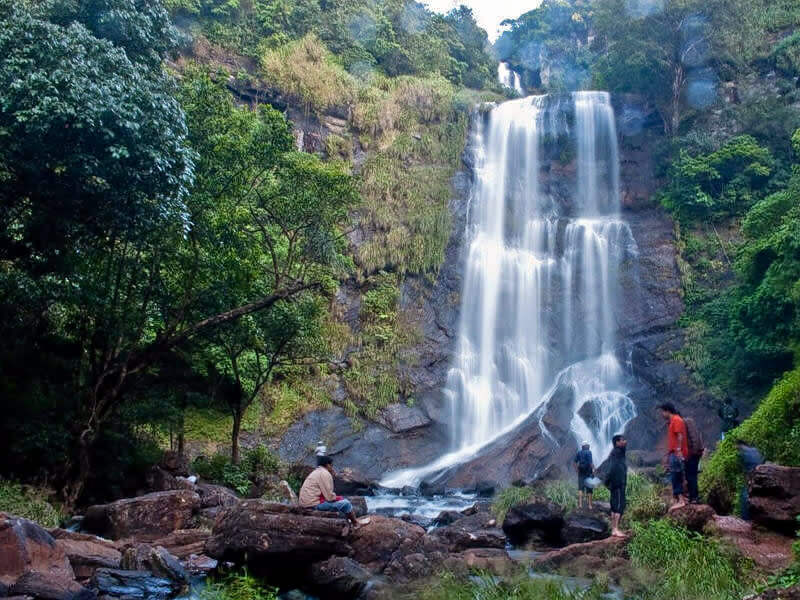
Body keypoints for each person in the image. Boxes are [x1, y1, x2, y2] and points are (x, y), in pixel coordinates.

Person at [298, 456, 369, 527]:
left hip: (305, 503)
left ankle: (349, 521)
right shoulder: (325, 474)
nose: (332, 467)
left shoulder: (317, 472)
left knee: (341, 500)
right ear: (327, 465)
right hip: (313, 505)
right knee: (346, 503)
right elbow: (329, 497)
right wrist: (339, 498)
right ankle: (356, 524)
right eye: (331, 465)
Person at [659, 403, 689, 508]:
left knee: (676, 475)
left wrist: (679, 450)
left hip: (677, 453)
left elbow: (680, 436)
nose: (662, 414)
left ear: (668, 411)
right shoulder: (673, 421)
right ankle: (679, 498)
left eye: (663, 411)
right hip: (674, 453)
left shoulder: (676, 420)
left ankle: (681, 500)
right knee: (675, 475)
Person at [605, 434, 628, 537]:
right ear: (617, 443)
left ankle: (613, 528)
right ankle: (615, 529)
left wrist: (608, 481)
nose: (625, 441)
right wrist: (610, 480)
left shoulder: (615, 452)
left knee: (614, 506)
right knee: (619, 506)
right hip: (618, 483)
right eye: (622, 440)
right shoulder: (617, 453)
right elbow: (613, 468)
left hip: (615, 482)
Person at [736, 440, 763, 521]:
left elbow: (746, 470)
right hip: (761, 475)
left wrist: (748, 480)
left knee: (745, 496)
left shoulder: (743, 453)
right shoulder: (755, 450)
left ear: (740, 445)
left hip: (753, 477)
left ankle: (745, 519)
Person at [683, 415, 705, 504]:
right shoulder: (685, 422)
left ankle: (694, 497)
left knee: (691, 475)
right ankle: (692, 496)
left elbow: (694, 437)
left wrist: (693, 452)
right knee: (689, 475)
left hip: (693, 453)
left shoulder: (687, 421)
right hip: (691, 453)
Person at [574, 441, 595, 510]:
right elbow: (590, 463)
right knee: (589, 489)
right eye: (587, 445)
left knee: (580, 488)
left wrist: (577, 470)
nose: (588, 446)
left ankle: (580, 504)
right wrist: (594, 470)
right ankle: (589, 505)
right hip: (588, 473)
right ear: (585, 446)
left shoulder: (579, 452)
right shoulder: (589, 452)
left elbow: (574, 462)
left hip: (581, 473)